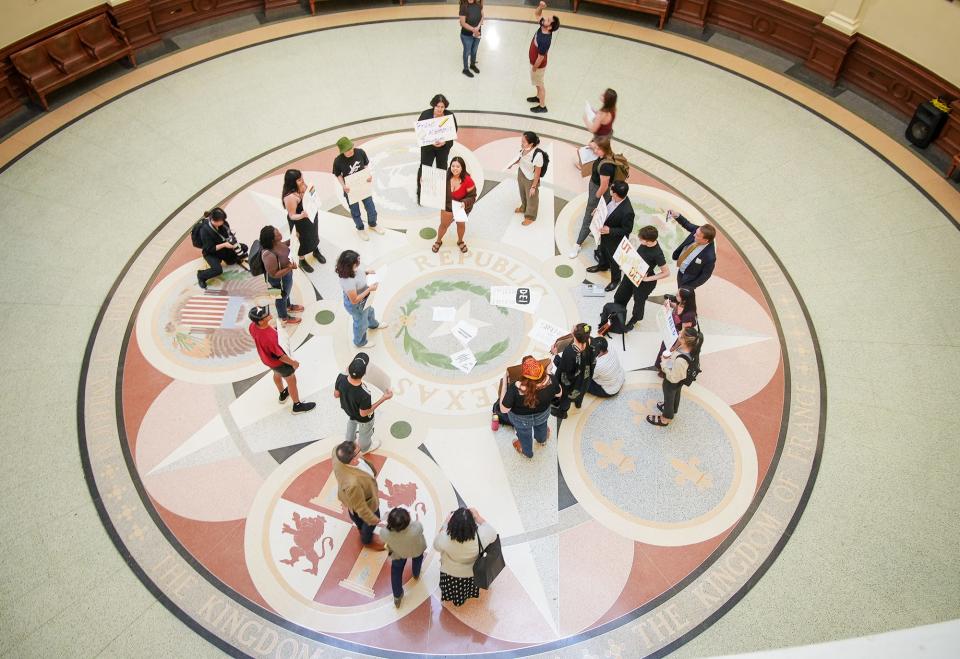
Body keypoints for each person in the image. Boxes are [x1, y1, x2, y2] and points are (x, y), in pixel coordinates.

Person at [247, 305, 315, 414]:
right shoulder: (270, 338)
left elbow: (263, 335)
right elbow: (281, 356)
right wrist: (294, 363)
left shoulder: (252, 326)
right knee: (291, 380)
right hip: (280, 363)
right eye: (266, 315)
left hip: (267, 360)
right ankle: (297, 405)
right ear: (260, 321)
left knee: (276, 373)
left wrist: (278, 329)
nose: (269, 314)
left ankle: (283, 393)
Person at [433, 507, 497, 607]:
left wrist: (445, 523)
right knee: (468, 586)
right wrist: (478, 517)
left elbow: (436, 546)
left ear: (452, 524)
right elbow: (493, 534)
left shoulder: (445, 538)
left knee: (453, 588)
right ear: (472, 524)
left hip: (451, 571)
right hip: (472, 571)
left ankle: (455, 599)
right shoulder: (482, 535)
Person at [612, 225, 671, 330]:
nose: (639, 240)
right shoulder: (645, 244)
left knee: (638, 303)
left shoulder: (657, 254)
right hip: (632, 273)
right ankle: (617, 312)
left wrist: (647, 279)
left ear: (648, 241)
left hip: (645, 281)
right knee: (620, 295)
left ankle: (634, 320)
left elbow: (666, 272)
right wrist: (626, 264)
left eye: (641, 239)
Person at [333, 352, 393, 454]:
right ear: (365, 373)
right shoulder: (364, 393)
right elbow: (364, 413)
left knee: (351, 423)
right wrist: (383, 398)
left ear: (349, 368)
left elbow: (336, 394)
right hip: (364, 420)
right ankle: (366, 448)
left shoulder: (340, 377)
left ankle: (349, 442)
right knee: (365, 434)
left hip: (349, 411)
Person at [499, 356, 559, 458]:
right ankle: (542, 440)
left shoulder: (515, 388)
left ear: (524, 375)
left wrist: (504, 382)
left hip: (521, 420)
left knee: (524, 435)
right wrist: (549, 372)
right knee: (542, 427)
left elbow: (503, 409)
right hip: (542, 414)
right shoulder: (551, 380)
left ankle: (527, 452)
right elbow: (559, 394)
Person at [333, 440, 385, 548]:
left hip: (349, 496)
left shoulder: (336, 451)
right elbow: (361, 507)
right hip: (365, 501)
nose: (360, 447)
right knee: (367, 518)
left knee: (356, 515)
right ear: (353, 459)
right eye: (359, 450)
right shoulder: (353, 484)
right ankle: (366, 540)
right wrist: (374, 520)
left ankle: (361, 527)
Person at [568, 137, 615, 259]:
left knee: (588, 216)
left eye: (596, 149)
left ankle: (577, 244)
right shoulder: (607, 155)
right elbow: (593, 143)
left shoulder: (606, 166)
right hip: (596, 187)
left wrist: (595, 199)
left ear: (604, 148)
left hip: (599, 192)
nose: (593, 151)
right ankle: (593, 230)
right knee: (597, 215)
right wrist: (591, 145)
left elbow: (604, 186)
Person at [647, 327, 703, 427]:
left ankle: (665, 418)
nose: (679, 332)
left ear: (684, 340)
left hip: (672, 381)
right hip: (680, 379)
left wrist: (663, 363)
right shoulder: (689, 349)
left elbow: (673, 378)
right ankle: (674, 409)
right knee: (676, 394)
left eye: (681, 333)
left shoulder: (681, 360)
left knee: (669, 398)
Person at [586, 180, 634, 292]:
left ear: (616, 194)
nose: (610, 189)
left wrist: (610, 230)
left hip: (615, 240)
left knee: (615, 261)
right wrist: (597, 212)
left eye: (612, 189)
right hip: (604, 235)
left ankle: (615, 280)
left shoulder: (628, 211)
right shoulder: (611, 198)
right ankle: (602, 265)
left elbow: (627, 229)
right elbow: (605, 209)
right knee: (602, 250)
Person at [332, 137, 381, 242]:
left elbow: (366, 165)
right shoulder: (338, 161)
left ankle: (372, 224)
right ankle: (360, 228)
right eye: (347, 150)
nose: (350, 151)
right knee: (355, 211)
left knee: (371, 208)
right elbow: (338, 175)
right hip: (350, 189)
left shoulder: (360, 152)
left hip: (363, 186)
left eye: (351, 148)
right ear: (342, 151)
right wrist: (343, 186)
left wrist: (368, 175)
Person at [336, 250, 387, 348]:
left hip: (364, 301)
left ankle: (373, 325)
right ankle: (360, 342)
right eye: (357, 261)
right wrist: (369, 289)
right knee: (360, 323)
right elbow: (354, 300)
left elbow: (358, 275)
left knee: (370, 312)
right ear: (350, 265)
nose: (359, 261)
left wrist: (366, 272)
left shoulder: (352, 270)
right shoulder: (347, 282)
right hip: (357, 306)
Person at [380, 507, 427, 608]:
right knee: (417, 561)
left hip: (398, 554)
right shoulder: (416, 529)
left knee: (396, 572)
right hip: (415, 549)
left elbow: (383, 532)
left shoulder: (385, 533)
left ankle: (397, 596)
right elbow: (420, 527)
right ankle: (416, 573)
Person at [281, 169, 325, 273]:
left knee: (314, 234)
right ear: (292, 182)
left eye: (301, 178)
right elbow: (292, 216)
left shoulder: (303, 186)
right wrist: (301, 215)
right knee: (302, 241)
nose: (302, 181)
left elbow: (311, 196)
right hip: (300, 222)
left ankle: (315, 250)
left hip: (311, 217)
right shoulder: (290, 197)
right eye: (299, 180)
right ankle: (302, 260)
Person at [417, 94, 457, 204]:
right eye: (437, 106)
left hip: (443, 149)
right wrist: (431, 142)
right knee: (425, 169)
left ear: (445, 107)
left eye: (442, 107)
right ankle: (421, 195)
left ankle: (441, 195)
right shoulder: (425, 115)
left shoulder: (450, 116)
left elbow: (453, 132)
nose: (439, 109)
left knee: (442, 169)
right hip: (428, 149)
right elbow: (420, 133)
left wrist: (444, 142)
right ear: (433, 106)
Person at [431, 156, 477, 254]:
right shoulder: (445, 177)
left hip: (461, 207)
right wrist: (425, 183)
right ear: (450, 166)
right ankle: (438, 241)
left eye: (458, 166)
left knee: (461, 225)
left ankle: (460, 241)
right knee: (443, 225)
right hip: (447, 206)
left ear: (462, 168)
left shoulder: (468, 180)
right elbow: (434, 186)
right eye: (453, 166)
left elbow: (473, 196)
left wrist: (464, 203)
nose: (455, 168)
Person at [259, 225, 302, 327]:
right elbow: (273, 274)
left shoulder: (276, 243)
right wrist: (289, 268)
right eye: (277, 233)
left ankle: (287, 306)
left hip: (285, 277)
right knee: (280, 298)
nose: (280, 233)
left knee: (286, 294)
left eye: (278, 231)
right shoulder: (268, 255)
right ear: (272, 239)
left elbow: (283, 245)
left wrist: (293, 239)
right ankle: (284, 317)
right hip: (277, 282)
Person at [552, 322, 596, 418]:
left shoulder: (570, 351)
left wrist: (556, 355)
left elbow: (563, 368)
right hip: (585, 378)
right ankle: (578, 404)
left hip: (572, 384)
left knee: (566, 399)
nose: (572, 327)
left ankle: (562, 413)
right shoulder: (590, 342)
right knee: (581, 392)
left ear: (574, 335)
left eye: (574, 328)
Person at [654, 287, 698, 374]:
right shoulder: (681, 304)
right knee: (664, 350)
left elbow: (683, 334)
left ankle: (664, 371)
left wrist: (674, 347)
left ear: (684, 300)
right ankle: (661, 367)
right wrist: (670, 304)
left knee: (667, 353)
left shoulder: (688, 316)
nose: (675, 296)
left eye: (678, 295)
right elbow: (677, 307)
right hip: (671, 332)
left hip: (676, 338)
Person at [669, 210, 717, 289]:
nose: (694, 235)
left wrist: (690, 286)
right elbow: (687, 224)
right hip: (681, 271)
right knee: (679, 289)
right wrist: (677, 216)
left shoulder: (710, 256)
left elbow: (705, 275)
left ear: (706, 240)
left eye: (697, 235)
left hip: (688, 279)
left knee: (683, 295)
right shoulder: (698, 230)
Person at [197, 207, 242, 289]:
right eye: (222, 221)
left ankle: (231, 258)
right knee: (217, 270)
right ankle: (201, 276)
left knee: (242, 248)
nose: (224, 222)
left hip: (223, 248)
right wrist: (225, 245)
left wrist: (233, 243)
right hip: (211, 253)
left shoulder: (223, 224)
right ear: (215, 220)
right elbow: (210, 248)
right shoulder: (204, 230)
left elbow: (229, 234)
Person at [526, 1, 559, 114]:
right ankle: (538, 97)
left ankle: (542, 106)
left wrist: (534, 67)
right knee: (537, 82)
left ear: (549, 27)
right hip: (535, 63)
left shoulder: (545, 39)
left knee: (540, 84)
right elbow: (537, 14)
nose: (545, 19)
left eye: (548, 20)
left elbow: (540, 57)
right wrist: (540, 7)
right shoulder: (543, 26)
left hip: (538, 66)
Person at [510, 131, 544, 226]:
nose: (522, 143)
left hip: (530, 178)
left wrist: (533, 186)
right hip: (521, 173)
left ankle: (530, 216)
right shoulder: (524, 149)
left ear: (531, 143)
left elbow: (537, 173)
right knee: (522, 192)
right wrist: (513, 163)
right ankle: (524, 207)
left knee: (531, 198)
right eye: (522, 141)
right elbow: (521, 158)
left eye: (524, 142)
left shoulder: (538, 156)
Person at [458, 0, 483, 78]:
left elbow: (482, 16)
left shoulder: (478, 4)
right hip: (466, 35)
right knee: (467, 51)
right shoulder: (463, 7)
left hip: (477, 33)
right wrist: (474, 30)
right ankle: (465, 69)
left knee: (474, 50)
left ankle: (472, 65)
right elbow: (462, 23)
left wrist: (478, 28)